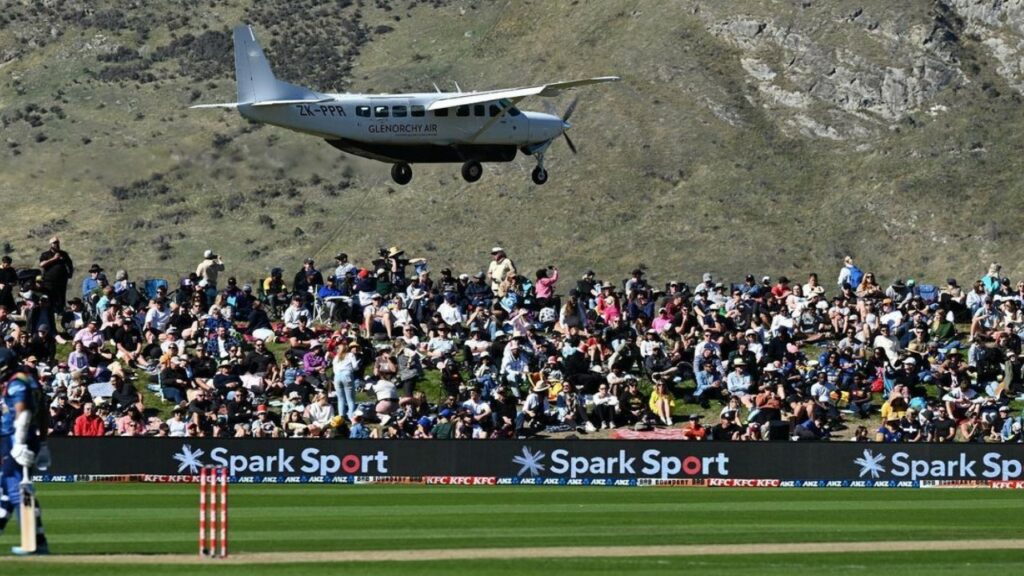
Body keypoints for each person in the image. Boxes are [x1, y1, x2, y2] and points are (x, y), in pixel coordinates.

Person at [0, 348, 51, 554]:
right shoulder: (30, 380)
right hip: (27, 437)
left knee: (16, 489)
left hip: (16, 438)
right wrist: (44, 443)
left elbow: (23, 414)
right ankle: (36, 539)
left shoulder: (17, 383)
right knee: (6, 486)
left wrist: (19, 443)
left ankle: (35, 542)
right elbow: (44, 413)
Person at [39, 236, 74, 312]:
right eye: (54, 243)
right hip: (49, 280)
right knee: (50, 296)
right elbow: (42, 264)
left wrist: (70, 273)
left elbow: (70, 264)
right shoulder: (46, 254)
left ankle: (60, 312)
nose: (56, 244)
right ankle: (50, 311)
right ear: (51, 244)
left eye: (57, 243)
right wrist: (54, 259)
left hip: (62, 280)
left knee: (61, 296)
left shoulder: (64, 254)